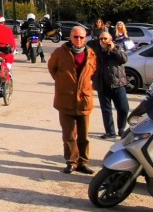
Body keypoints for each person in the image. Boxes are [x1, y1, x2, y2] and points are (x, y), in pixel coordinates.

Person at [48, 25, 98, 174]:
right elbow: (52, 68)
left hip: (84, 100)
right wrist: (62, 82)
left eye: (81, 37)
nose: (78, 40)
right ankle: (71, 161)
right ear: (70, 37)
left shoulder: (90, 54)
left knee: (84, 136)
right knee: (69, 135)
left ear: (86, 38)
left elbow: (93, 71)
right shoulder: (60, 52)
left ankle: (83, 162)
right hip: (65, 99)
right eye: (76, 37)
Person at [89, 30, 129, 139]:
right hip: (102, 84)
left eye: (105, 39)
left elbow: (124, 59)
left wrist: (113, 49)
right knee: (106, 110)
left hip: (117, 84)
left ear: (110, 40)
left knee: (123, 108)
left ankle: (121, 129)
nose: (103, 41)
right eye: (101, 39)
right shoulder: (95, 49)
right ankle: (110, 132)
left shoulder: (117, 47)